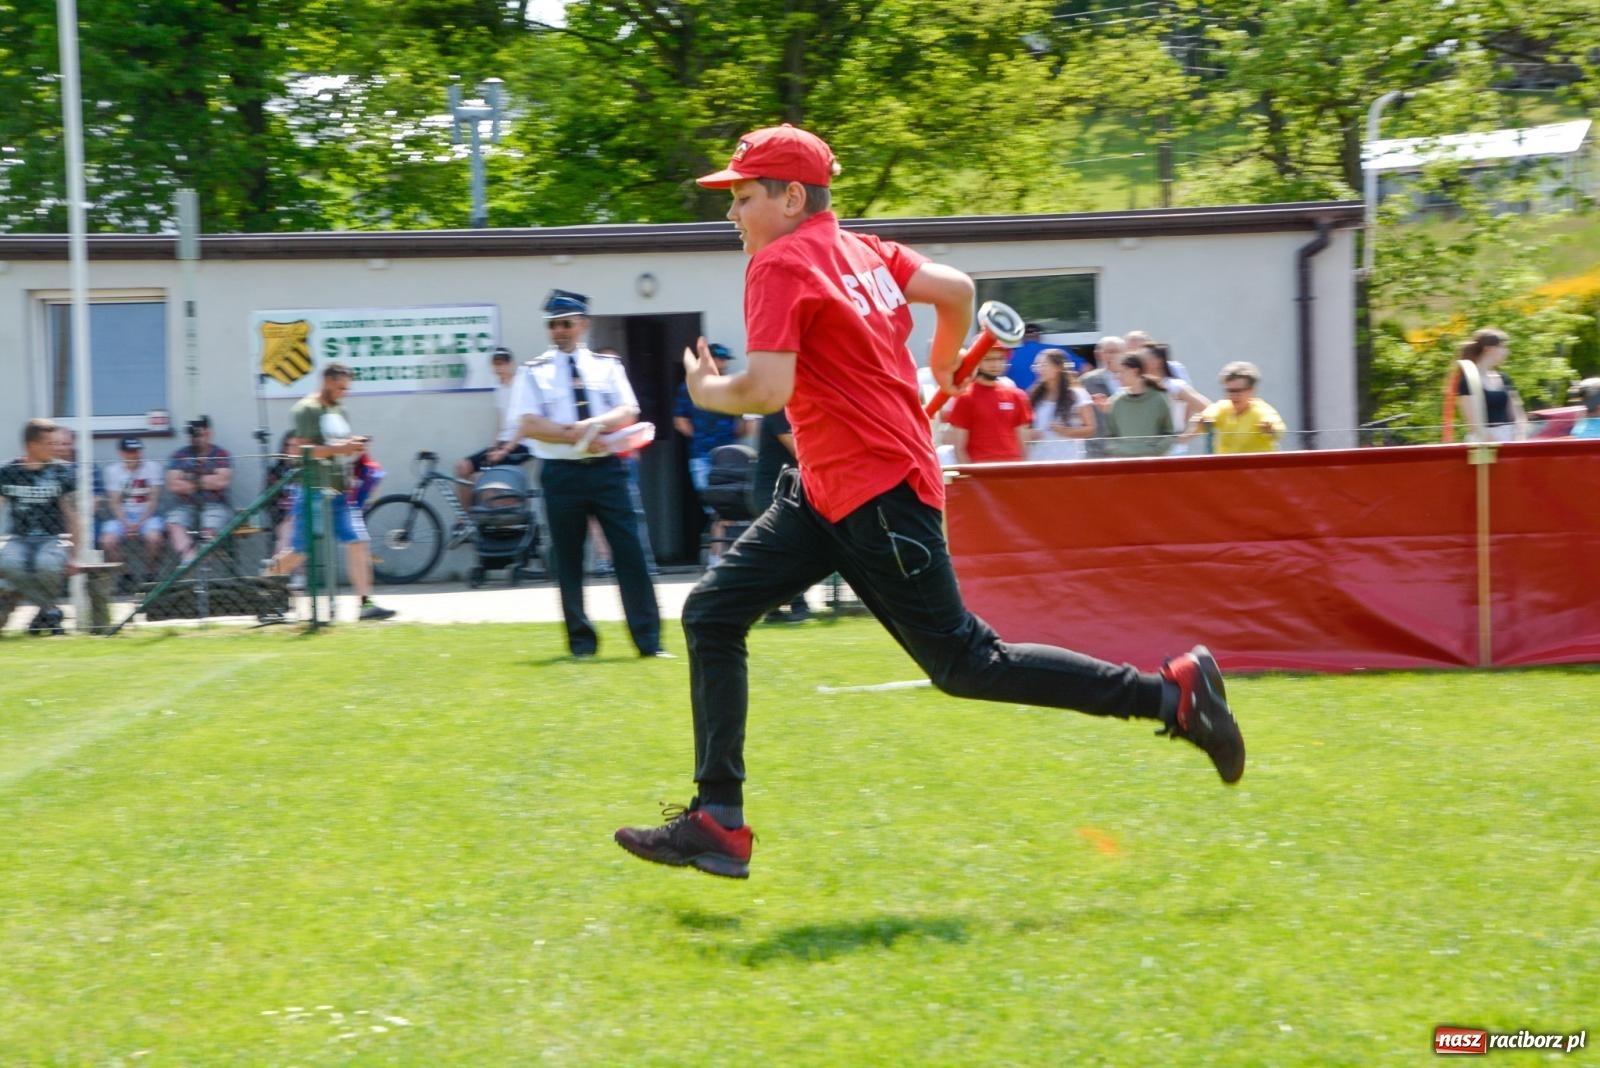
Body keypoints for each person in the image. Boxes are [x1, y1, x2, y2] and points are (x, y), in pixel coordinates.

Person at [613, 124, 1244, 880]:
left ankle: (1172, 696)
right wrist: (946, 363)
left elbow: (767, 389)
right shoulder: (864, 252)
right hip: (832, 491)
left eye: (744, 197)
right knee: (713, 613)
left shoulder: (778, 263)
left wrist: (704, 388)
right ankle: (719, 818)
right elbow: (956, 290)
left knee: (968, 664)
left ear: (791, 198)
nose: (732, 214)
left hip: (875, 494)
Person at [501, 290, 668, 659]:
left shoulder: (606, 366)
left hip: (609, 471)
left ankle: (649, 642)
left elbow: (627, 410)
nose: (559, 331)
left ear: (583, 325)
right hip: (562, 473)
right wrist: (575, 435)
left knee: (632, 554)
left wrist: (593, 426)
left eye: (566, 324)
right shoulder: (533, 371)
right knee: (568, 559)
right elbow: (528, 422)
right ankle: (581, 644)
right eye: (553, 325)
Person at [265, 364, 396, 621]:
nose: (343, 393)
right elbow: (302, 451)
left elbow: (336, 446)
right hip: (313, 489)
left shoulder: (339, 410)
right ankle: (263, 586)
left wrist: (353, 447)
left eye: (346, 389)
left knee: (358, 542)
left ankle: (365, 604)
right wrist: (341, 448)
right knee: (300, 551)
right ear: (327, 381)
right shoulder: (306, 409)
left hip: (340, 491)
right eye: (339, 387)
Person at [0, 418, 81, 636]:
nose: (55, 448)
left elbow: (73, 516)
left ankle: (45, 613)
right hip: (18, 538)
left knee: (46, 565)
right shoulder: (8, 471)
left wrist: (74, 555)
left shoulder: (62, 471)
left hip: (54, 538)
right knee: (9, 563)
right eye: (49, 443)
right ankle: (50, 610)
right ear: (32, 445)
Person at [674, 342, 750, 566]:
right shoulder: (690, 387)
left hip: (728, 457)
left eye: (725, 360)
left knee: (726, 508)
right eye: (720, 359)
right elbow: (680, 421)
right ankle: (718, 558)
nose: (723, 364)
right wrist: (703, 438)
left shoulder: (732, 385)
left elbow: (745, 421)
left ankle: (718, 559)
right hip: (703, 457)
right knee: (716, 508)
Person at [454, 346, 531, 512]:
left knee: (478, 479)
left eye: (503, 363)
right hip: (502, 443)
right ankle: (466, 519)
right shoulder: (499, 388)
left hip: (521, 445)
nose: (499, 367)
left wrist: (504, 450)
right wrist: (494, 446)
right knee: (462, 466)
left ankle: (494, 518)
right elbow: (501, 423)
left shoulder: (522, 386)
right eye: (496, 364)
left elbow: (528, 425)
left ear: (511, 364)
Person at [752, 408, 811, 624]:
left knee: (779, 552)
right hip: (772, 492)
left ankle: (772, 608)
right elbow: (798, 450)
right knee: (790, 548)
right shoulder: (778, 411)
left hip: (786, 490)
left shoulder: (789, 410)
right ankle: (797, 605)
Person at [945, 348, 1033, 463]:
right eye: (988, 359)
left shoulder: (1017, 396)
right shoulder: (965, 397)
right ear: (977, 361)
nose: (995, 364)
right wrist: (970, 473)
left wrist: (1023, 469)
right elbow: (959, 448)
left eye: (1000, 359)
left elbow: (1024, 442)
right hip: (981, 468)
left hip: (1013, 467)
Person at [164, 415, 233, 562]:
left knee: (209, 532)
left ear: (209, 434)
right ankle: (190, 561)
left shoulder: (220, 454)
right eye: (192, 435)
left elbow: (222, 482)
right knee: (174, 525)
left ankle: (197, 567)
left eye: (199, 435)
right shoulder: (179, 455)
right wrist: (207, 480)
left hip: (215, 505)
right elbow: (173, 485)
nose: (194, 439)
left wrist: (187, 477)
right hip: (184, 505)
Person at [100, 437, 165, 585]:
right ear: (121, 453)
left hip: (148, 515)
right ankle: (126, 575)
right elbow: (114, 502)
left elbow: (153, 500)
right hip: (122, 516)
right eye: (130, 452)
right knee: (107, 541)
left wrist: (140, 522)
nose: (135, 455)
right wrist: (127, 523)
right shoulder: (112, 471)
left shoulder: (153, 468)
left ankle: (151, 575)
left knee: (155, 538)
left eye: (137, 451)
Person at [1447, 327, 1527, 443]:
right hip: (1483, 443)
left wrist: (1519, 438)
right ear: (1488, 349)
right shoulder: (1468, 380)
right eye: (1502, 347)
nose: (1506, 352)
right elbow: (1474, 424)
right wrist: (1496, 445)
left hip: (1510, 438)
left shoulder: (1504, 378)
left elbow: (1519, 415)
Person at [1191, 361, 1284, 454]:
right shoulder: (1223, 407)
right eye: (1230, 391)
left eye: (1238, 391)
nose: (1234, 395)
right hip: (1226, 462)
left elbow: (1278, 431)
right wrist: (1202, 421)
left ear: (1252, 391)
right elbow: (1206, 417)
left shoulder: (1262, 411)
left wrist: (1270, 429)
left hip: (1256, 463)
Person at [1025, 348, 1094, 461]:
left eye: (1043, 365)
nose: (1038, 369)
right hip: (1038, 459)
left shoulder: (1078, 394)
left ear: (1058, 367)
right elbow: (1023, 428)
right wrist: (1029, 433)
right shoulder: (1033, 395)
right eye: (1036, 365)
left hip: (1068, 460)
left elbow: (1090, 429)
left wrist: (1066, 431)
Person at [1104, 354, 1176, 457]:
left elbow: (1169, 433)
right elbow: (1111, 435)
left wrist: (1155, 450)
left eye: (1121, 372)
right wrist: (1119, 450)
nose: (1117, 377)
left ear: (1134, 371)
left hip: (1152, 462)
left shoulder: (1159, 399)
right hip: (1125, 461)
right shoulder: (1116, 401)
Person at [1080, 335, 1126, 459]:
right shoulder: (1088, 381)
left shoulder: (1134, 379)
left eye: (1115, 352)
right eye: (1107, 352)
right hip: (1098, 448)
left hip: (1128, 446)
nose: (1111, 356)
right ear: (1100, 355)